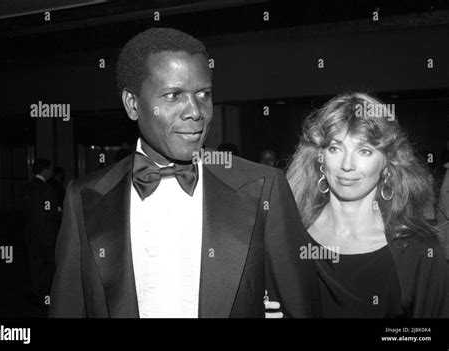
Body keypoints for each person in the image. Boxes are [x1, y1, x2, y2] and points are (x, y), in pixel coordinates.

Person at [48, 27, 321, 318]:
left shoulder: (263, 187)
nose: (196, 111)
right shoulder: (85, 197)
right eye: (173, 95)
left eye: (203, 94)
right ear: (132, 104)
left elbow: (299, 308)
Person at [282, 92, 449, 317]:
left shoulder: (419, 251)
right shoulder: (287, 236)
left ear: (387, 164)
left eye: (364, 151)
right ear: (319, 159)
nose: (347, 165)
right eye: (335, 148)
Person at [23, 159, 61, 312]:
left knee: (35, 264)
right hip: (46, 234)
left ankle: (36, 292)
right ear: (45, 170)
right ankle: (43, 294)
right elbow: (50, 211)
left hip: (31, 233)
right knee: (50, 264)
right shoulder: (47, 190)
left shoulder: (27, 187)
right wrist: (59, 210)